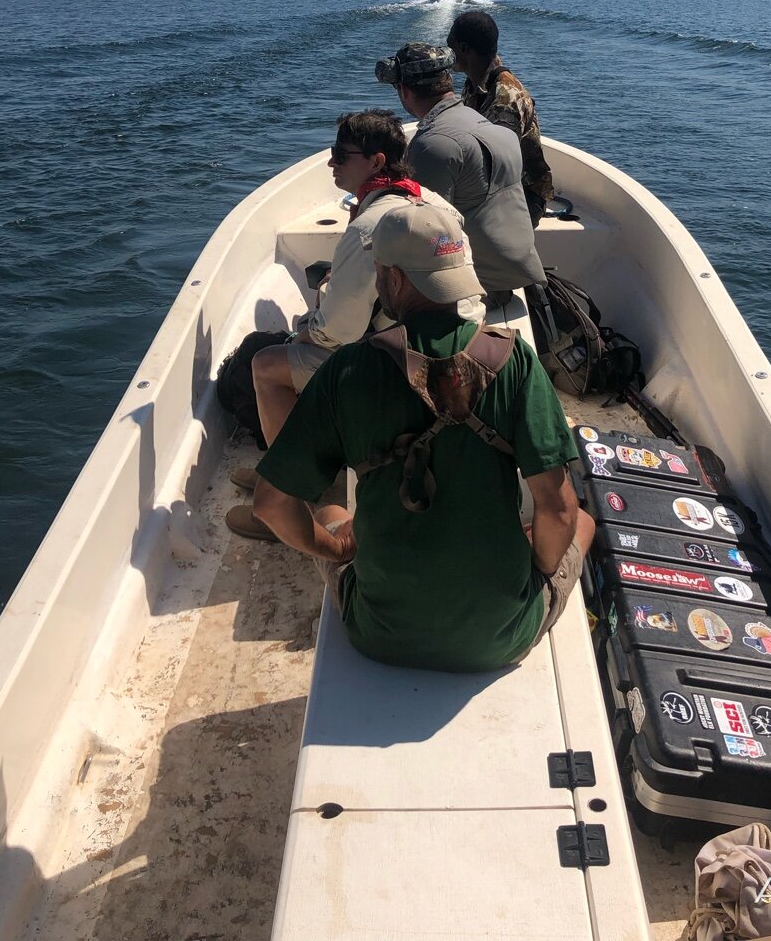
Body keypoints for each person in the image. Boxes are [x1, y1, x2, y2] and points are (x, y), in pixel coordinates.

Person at [251, 201, 595, 671]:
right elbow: (558, 509)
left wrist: (337, 552)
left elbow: (271, 504)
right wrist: (534, 570)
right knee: (582, 524)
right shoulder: (515, 362)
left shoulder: (346, 370)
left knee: (332, 511)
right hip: (498, 638)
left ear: (393, 278)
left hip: (378, 633)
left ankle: (344, 541)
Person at [225, 108, 484, 541]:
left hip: (404, 366)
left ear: (377, 162)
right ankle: (283, 471)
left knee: (267, 366)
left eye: (340, 154)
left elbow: (338, 332)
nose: (331, 163)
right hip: (462, 345)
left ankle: (286, 500)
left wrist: (301, 332)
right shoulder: (435, 203)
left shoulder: (368, 226)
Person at [376, 42, 545, 303]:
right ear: (447, 81)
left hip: (477, 288)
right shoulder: (489, 126)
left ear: (404, 91)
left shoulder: (433, 144)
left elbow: (422, 231)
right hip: (515, 274)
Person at [446, 10, 554, 226]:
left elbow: (500, 166)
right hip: (494, 186)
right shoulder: (475, 85)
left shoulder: (505, 97)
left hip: (521, 195)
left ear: (464, 49)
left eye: (452, 46)